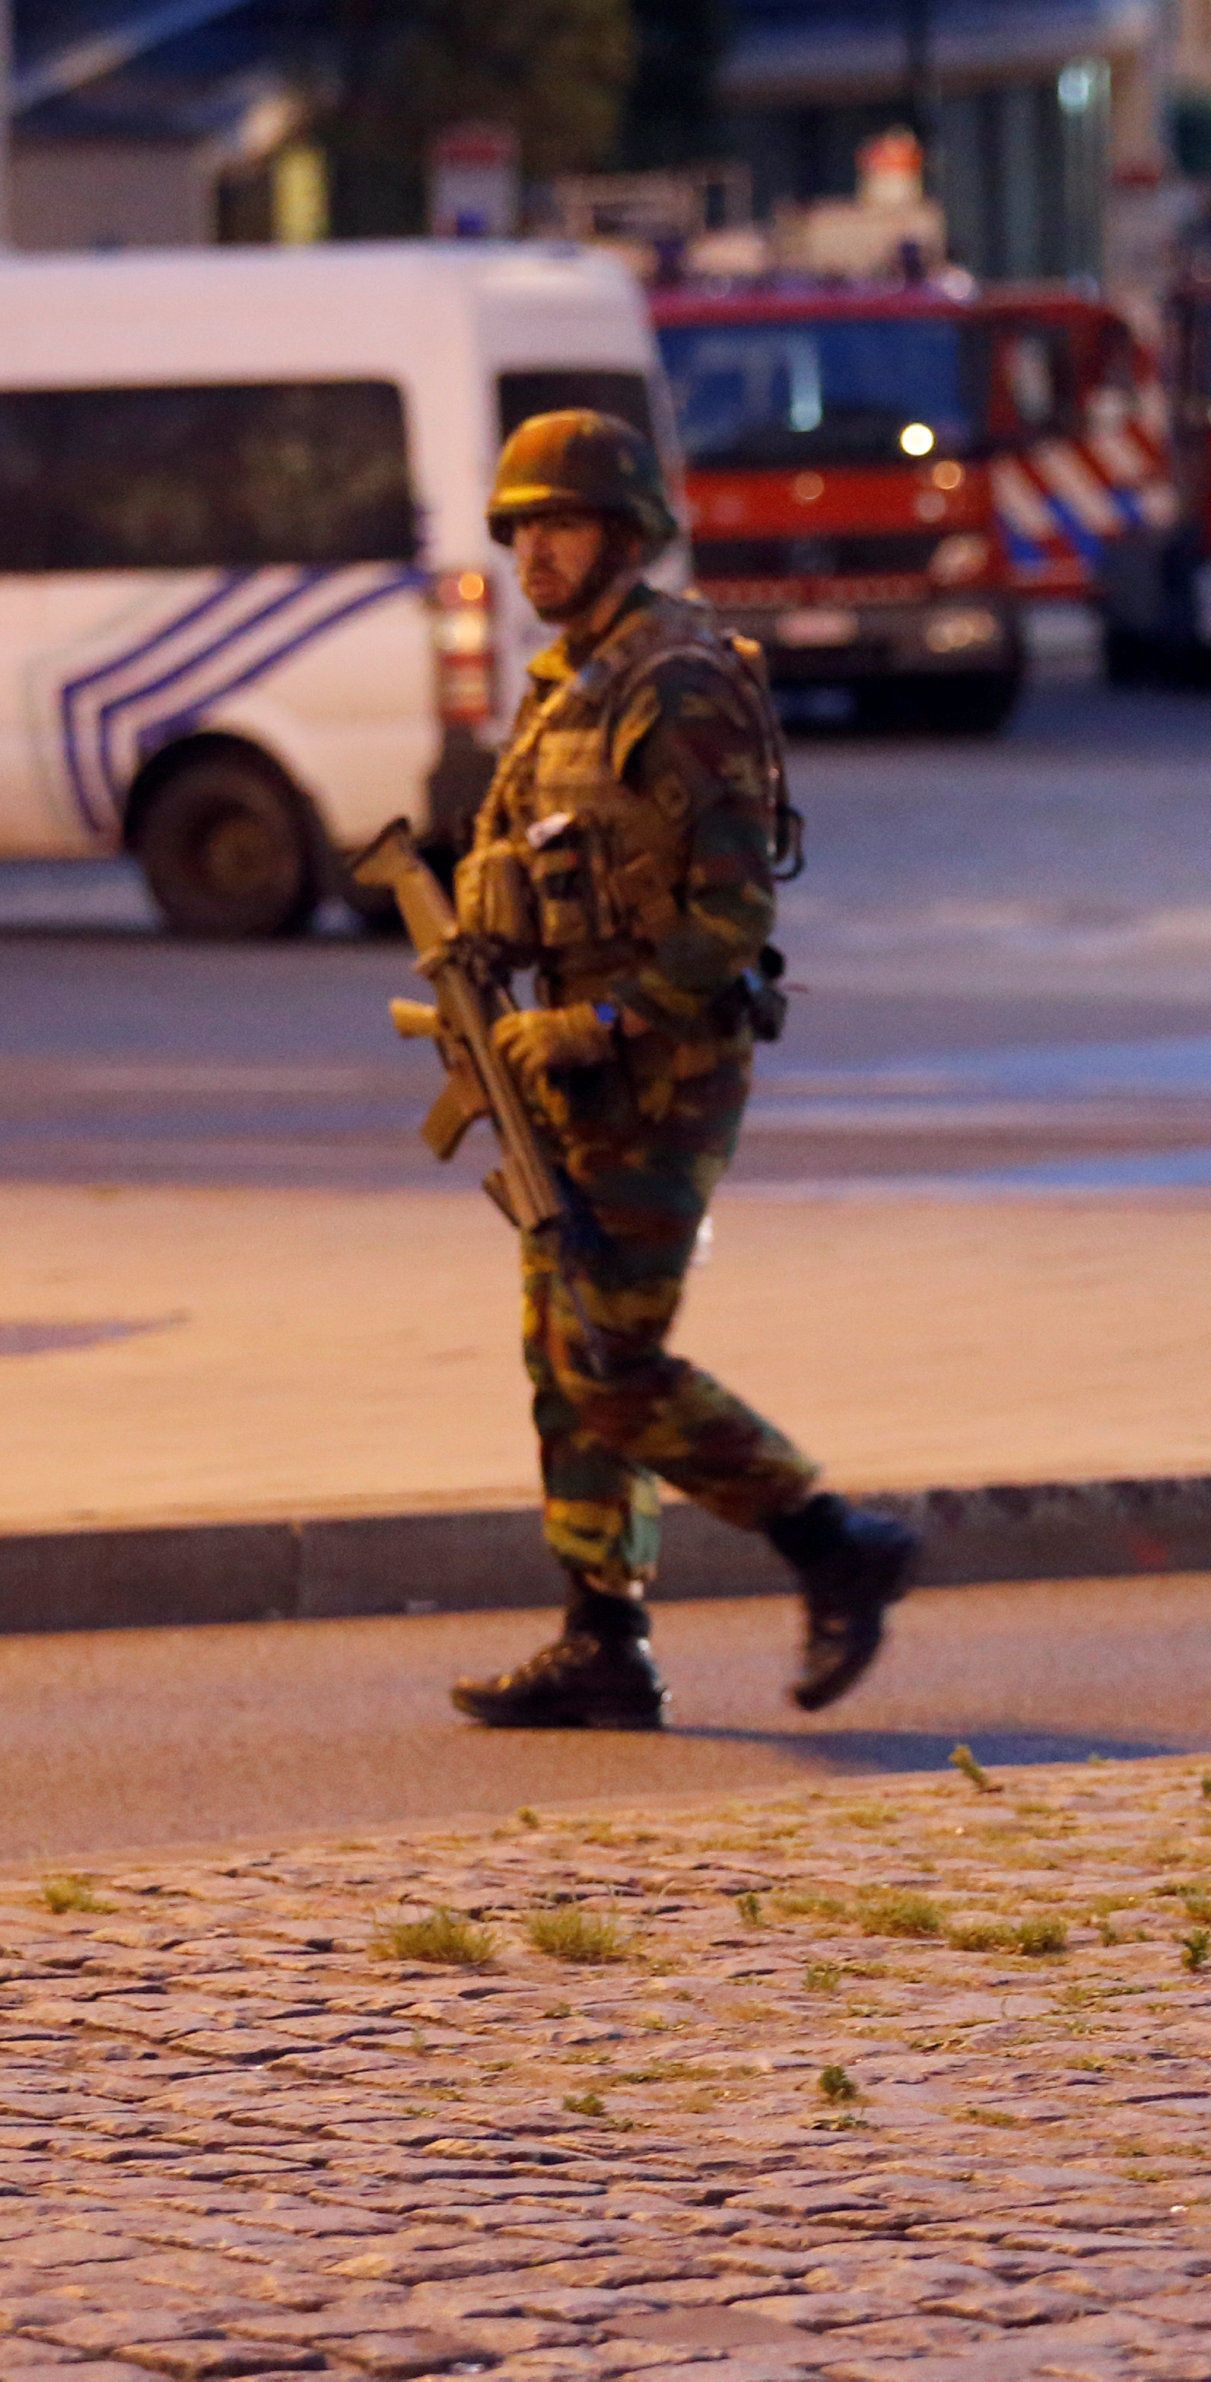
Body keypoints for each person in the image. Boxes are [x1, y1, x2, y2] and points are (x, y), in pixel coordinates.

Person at [441, 410, 918, 1731]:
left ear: (626, 532)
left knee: (606, 1356)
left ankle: (832, 1537)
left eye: (560, 523)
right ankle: (603, 1638)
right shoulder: (565, 683)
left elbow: (732, 915)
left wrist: (605, 1022)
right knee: (560, 1358)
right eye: (521, 528)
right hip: (562, 1072)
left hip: (663, 1073)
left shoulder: (679, 678)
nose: (535, 551)